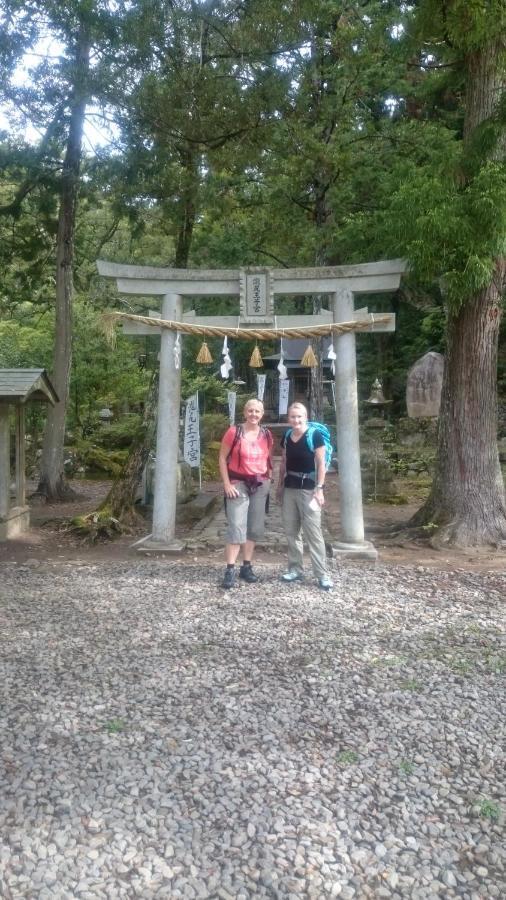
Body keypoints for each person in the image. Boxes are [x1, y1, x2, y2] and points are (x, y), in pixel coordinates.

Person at [276, 402, 333, 591]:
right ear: (288, 418)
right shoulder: (287, 435)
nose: (296, 420)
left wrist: (320, 488)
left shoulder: (314, 435)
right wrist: (279, 485)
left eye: (300, 416)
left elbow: (321, 463)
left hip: (309, 488)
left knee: (313, 533)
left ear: (306, 417)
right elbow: (284, 461)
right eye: (293, 416)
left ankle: (322, 574)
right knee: (291, 531)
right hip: (290, 487)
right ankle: (295, 568)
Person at [218, 398, 273, 589]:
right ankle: (230, 569)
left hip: (259, 483)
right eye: (250, 411)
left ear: (262, 414)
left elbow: (268, 457)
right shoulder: (234, 432)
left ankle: (246, 566)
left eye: (257, 411)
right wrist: (226, 483)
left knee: (254, 527)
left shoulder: (266, 434)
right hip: (237, 483)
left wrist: (269, 480)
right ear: (244, 412)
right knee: (236, 526)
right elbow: (222, 457)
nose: (254, 415)